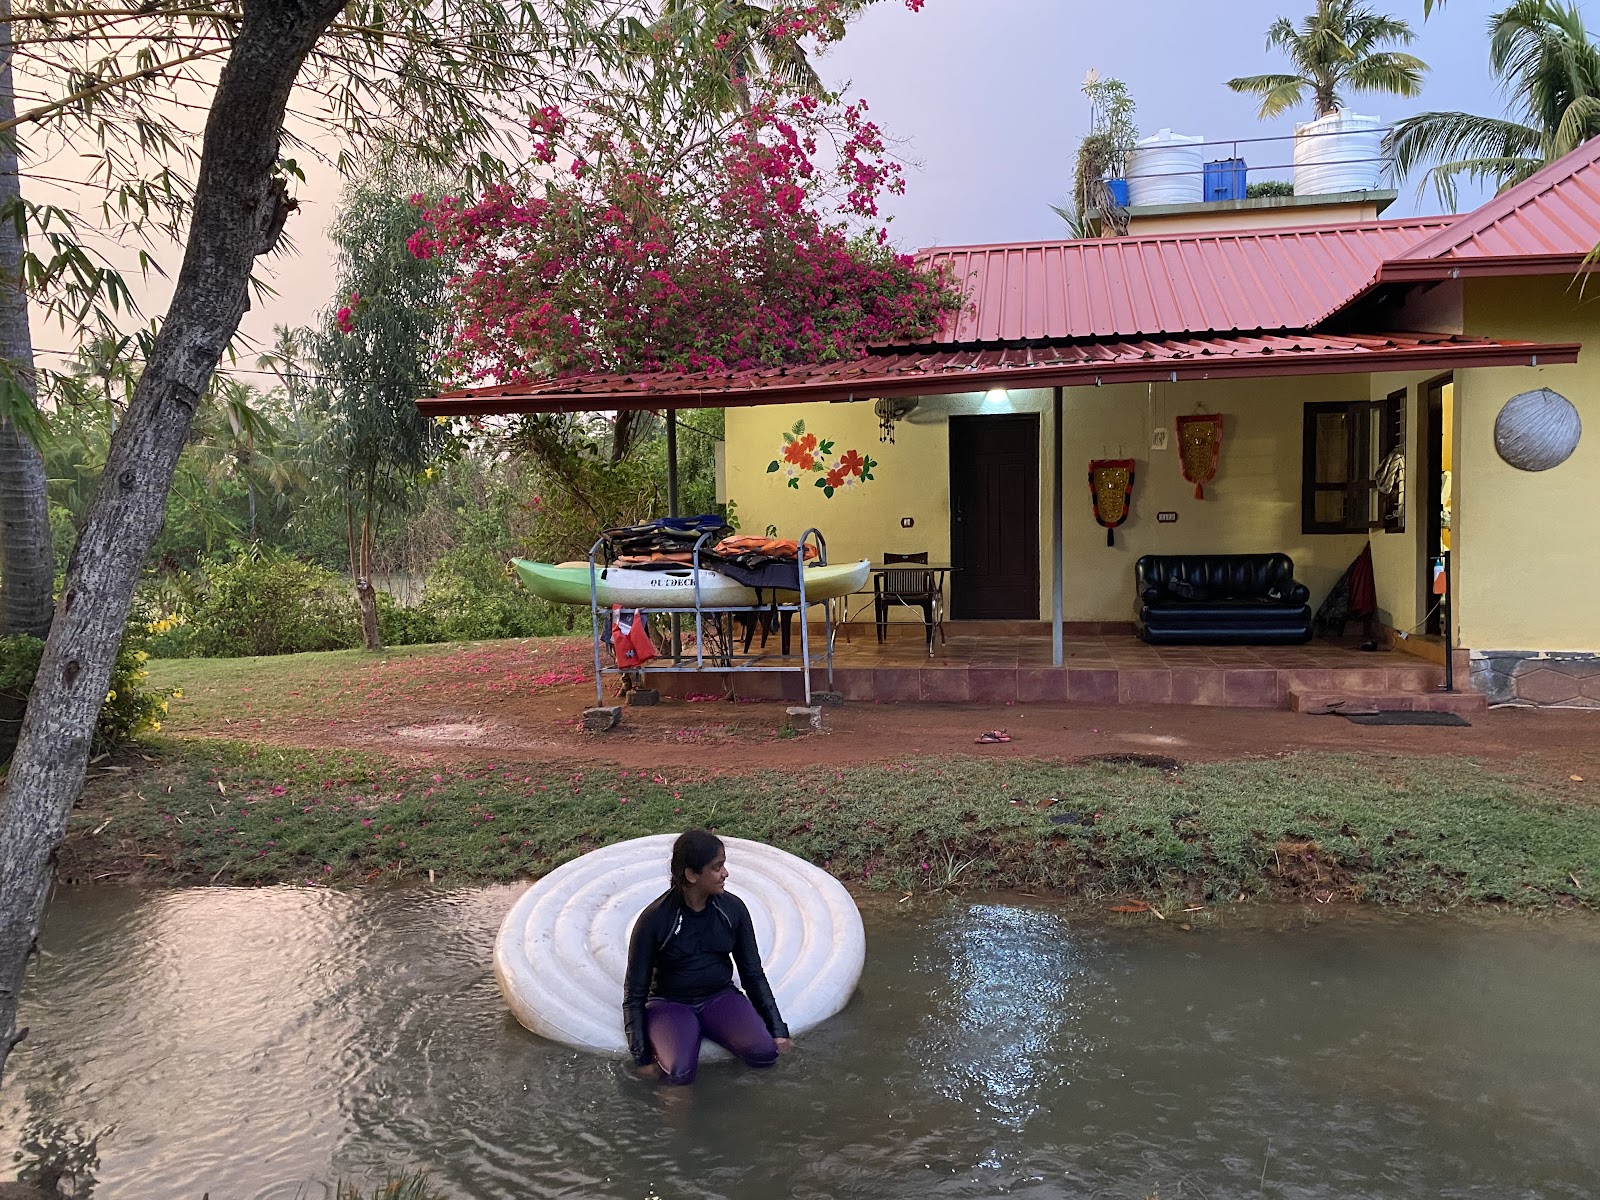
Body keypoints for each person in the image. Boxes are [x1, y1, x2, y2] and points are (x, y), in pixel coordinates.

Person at [623, 830, 791, 1085]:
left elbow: (752, 974)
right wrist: (642, 1057)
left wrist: (778, 1031)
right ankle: (676, 1111)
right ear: (691, 875)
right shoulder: (655, 919)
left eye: (724, 865)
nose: (726, 873)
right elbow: (635, 993)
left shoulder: (733, 909)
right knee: (678, 1073)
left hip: (720, 997)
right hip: (670, 1005)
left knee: (765, 1053)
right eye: (717, 867)